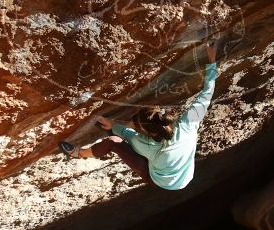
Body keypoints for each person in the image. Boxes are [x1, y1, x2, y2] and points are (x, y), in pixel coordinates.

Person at [58, 41, 219, 191]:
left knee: (113, 142)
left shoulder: (147, 146)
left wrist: (113, 126)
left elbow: (129, 135)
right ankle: (113, 137)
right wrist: (212, 60)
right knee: (124, 137)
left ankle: (79, 154)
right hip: (184, 176)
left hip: (160, 181)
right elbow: (207, 93)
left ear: (151, 133)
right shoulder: (188, 125)